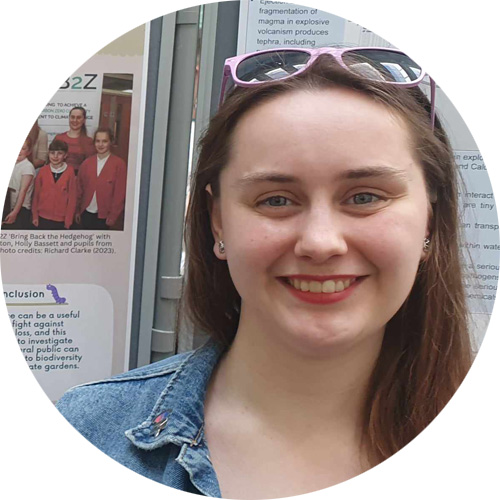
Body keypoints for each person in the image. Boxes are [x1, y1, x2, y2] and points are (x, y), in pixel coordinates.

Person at [56, 48, 473, 498]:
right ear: (218, 221)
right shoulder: (87, 435)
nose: (320, 242)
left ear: (429, 218)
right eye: (275, 200)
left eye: (365, 197)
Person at [75, 128, 127, 230]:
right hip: (86, 213)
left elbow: (119, 194)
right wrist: (77, 210)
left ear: (111, 142)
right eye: (98, 141)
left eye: (104, 141)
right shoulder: (87, 163)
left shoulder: (119, 164)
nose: (101, 145)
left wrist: (113, 215)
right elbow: (78, 189)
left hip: (105, 216)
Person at [32, 139, 77, 229]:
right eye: (52, 153)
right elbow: (36, 195)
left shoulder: (70, 172)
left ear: (65, 155)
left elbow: (72, 198)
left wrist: (68, 220)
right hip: (42, 217)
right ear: (48, 154)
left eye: (59, 153)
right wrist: (35, 216)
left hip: (61, 219)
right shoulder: (42, 171)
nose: (55, 156)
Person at [3, 138, 36, 229]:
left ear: (29, 151)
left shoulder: (27, 167)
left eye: (23, 148)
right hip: (9, 206)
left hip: (21, 209)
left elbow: (23, 191)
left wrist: (15, 213)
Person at [55, 106, 96, 172]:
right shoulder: (59, 138)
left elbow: (91, 167)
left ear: (84, 120)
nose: (75, 120)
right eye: (72, 117)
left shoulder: (89, 142)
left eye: (78, 117)